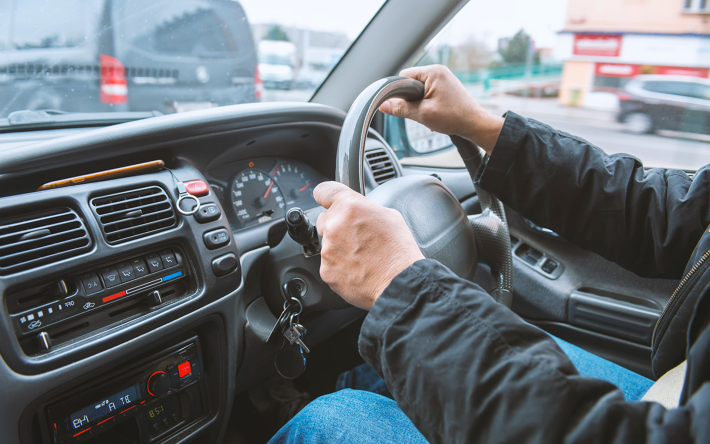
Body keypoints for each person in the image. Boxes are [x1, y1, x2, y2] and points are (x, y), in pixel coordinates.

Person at [269, 65, 710, 443]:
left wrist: (395, 281)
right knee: (377, 372)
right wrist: (481, 126)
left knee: (329, 419)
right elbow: (666, 210)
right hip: (682, 396)